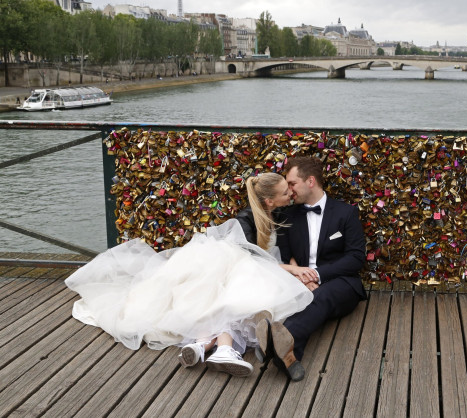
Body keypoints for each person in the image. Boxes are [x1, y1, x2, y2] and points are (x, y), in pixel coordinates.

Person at [65, 173, 313, 378]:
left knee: (233, 296)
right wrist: (292, 270)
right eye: (285, 192)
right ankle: (222, 348)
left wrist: (293, 267)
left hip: (237, 267)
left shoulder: (275, 215)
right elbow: (253, 262)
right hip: (227, 265)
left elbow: (275, 254)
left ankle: (202, 344)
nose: (290, 194)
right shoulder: (246, 221)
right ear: (269, 201)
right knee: (235, 295)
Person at [255, 156, 367, 381]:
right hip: (298, 280)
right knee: (299, 298)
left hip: (340, 282)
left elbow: (356, 258)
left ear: (311, 181)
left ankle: (278, 342)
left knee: (322, 296)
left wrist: (317, 275)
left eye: (292, 183)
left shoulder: (346, 213)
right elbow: (286, 254)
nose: (289, 189)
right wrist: (302, 277)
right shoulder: (287, 214)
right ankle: (289, 356)